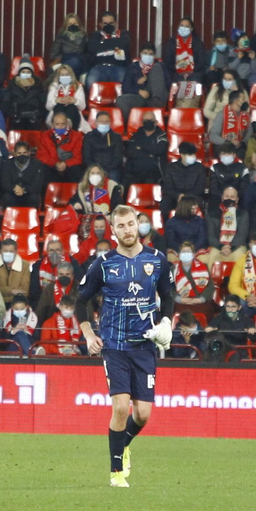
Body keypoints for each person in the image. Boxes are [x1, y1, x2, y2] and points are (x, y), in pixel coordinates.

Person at [74, 204, 176, 487]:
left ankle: (125, 444)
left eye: (131, 224)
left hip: (144, 347)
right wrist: (88, 334)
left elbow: (168, 296)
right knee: (120, 408)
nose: (127, 230)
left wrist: (166, 323)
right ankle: (116, 472)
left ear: (139, 224)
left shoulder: (156, 260)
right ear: (113, 230)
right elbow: (81, 301)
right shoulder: (103, 263)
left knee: (142, 414)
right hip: (115, 345)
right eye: (121, 226)